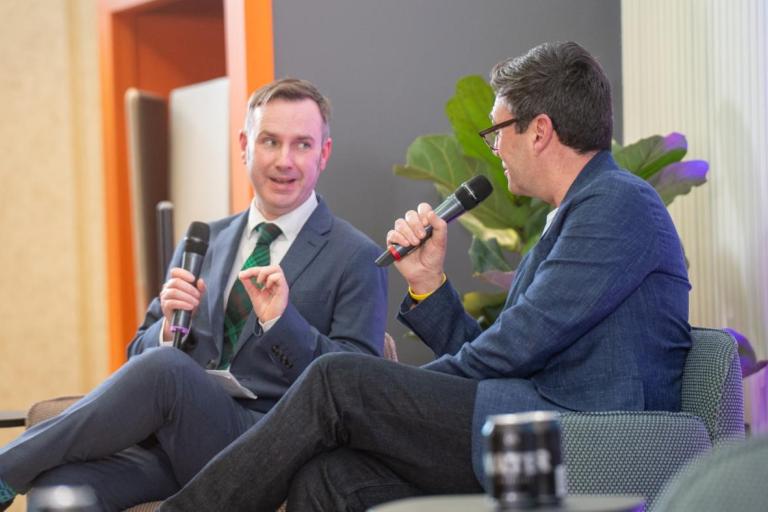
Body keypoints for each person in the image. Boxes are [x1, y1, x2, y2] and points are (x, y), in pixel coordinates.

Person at [158, 41, 692, 512]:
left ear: (539, 132)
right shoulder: (575, 210)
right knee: (330, 477)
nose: (495, 147)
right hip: (523, 411)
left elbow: (517, 347)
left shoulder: (617, 204)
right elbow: (506, 355)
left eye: (497, 131)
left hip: (585, 431)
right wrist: (429, 283)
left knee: (337, 379)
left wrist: (395, 387)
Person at [0, 78, 387, 511]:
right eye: (269, 141)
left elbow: (361, 391)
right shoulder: (205, 239)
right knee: (63, 487)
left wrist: (283, 323)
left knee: (167, 369)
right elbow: (139, 358)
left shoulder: (356, 257)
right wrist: (166, 328)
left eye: (301, 145)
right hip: (181, 443)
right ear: (244, 145)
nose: (284, 160)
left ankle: (3, 470)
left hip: (275, 452)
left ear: (324, 153)